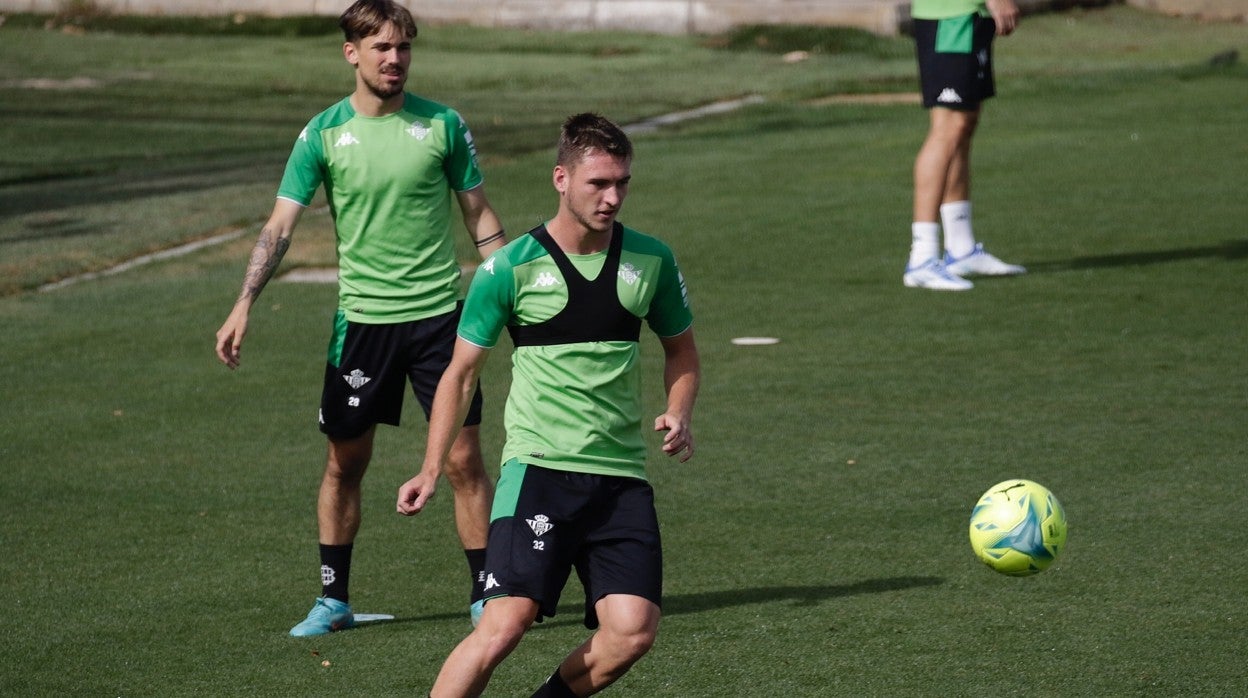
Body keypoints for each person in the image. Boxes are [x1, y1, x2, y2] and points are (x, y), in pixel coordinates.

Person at [214, 0, 505, 637]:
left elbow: (478, 215)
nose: (395, 59)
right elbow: (280, 227)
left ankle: (487, 594)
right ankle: (333, 599)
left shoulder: (443, 126)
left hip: (439, 324)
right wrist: (244, 302)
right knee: (346, 464)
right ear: (352, 53)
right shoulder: (322, 133)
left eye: (403, 48)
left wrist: (507, 289)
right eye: (382, 48)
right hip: (363, 327)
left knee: (463, 461)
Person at [397, 113, 701, 697]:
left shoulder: (652, 261)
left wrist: (679, 408)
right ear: (561, 178)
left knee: (632, 633)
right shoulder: (508, 268)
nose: (613, 197)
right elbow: (460, 376)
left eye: (622, 183)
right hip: (540, 470)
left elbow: (682, 352)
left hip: (620, 478)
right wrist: (431, 466)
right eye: (599, 184)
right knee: (504, 623)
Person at [904, 0, 1027, 291]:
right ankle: (922, 257)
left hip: (969, 15)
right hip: (949, 16)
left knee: (964, 125)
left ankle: (961, 249)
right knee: (948, 127)